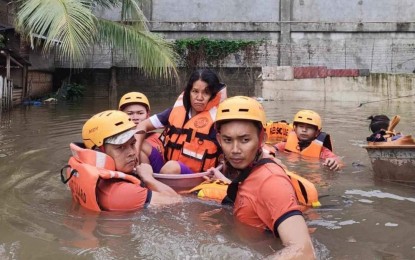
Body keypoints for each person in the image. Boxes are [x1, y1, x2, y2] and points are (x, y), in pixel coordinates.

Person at [207, 96, 315, 259]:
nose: (235, 150)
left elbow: (304, 251)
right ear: (219, 140)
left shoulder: (272, 181)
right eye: (227, 140)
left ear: (262, 139)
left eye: (245, 140)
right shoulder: (247, 171)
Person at [65, 110, 180, 212]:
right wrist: (148, 177)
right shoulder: (122, 193)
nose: (132, 152)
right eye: (120, 147)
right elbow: (176, 202)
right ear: (99, 152)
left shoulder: (77, 171)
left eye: (132, 144)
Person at [135, 68, 227, 174]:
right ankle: (148, 182)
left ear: (213, 96)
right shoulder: (175, 111)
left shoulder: (219, 120)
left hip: (195, 177)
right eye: (195, 91)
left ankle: (153, 186)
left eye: (206, 93)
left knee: (172, 166)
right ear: (189, 92)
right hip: (167, 170)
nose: (199, 97)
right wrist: (136, 152)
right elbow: (142, 125)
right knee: (141, 145)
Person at [274, 109, 341, 171]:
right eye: (301, 126)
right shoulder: (285, 145)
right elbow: (270, 149)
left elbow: (337, 160)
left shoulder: (322, 151)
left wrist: (334, 162)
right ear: (295, 129)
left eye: (309, 128)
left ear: (317, 132)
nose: (304, 130)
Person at [118, 92, 164, 169]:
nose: (135, 117)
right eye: (130, 113)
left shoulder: (158, 137)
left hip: (156, 170)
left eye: (140, 113)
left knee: (140, 145)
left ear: (148, 114)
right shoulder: (115, 138)